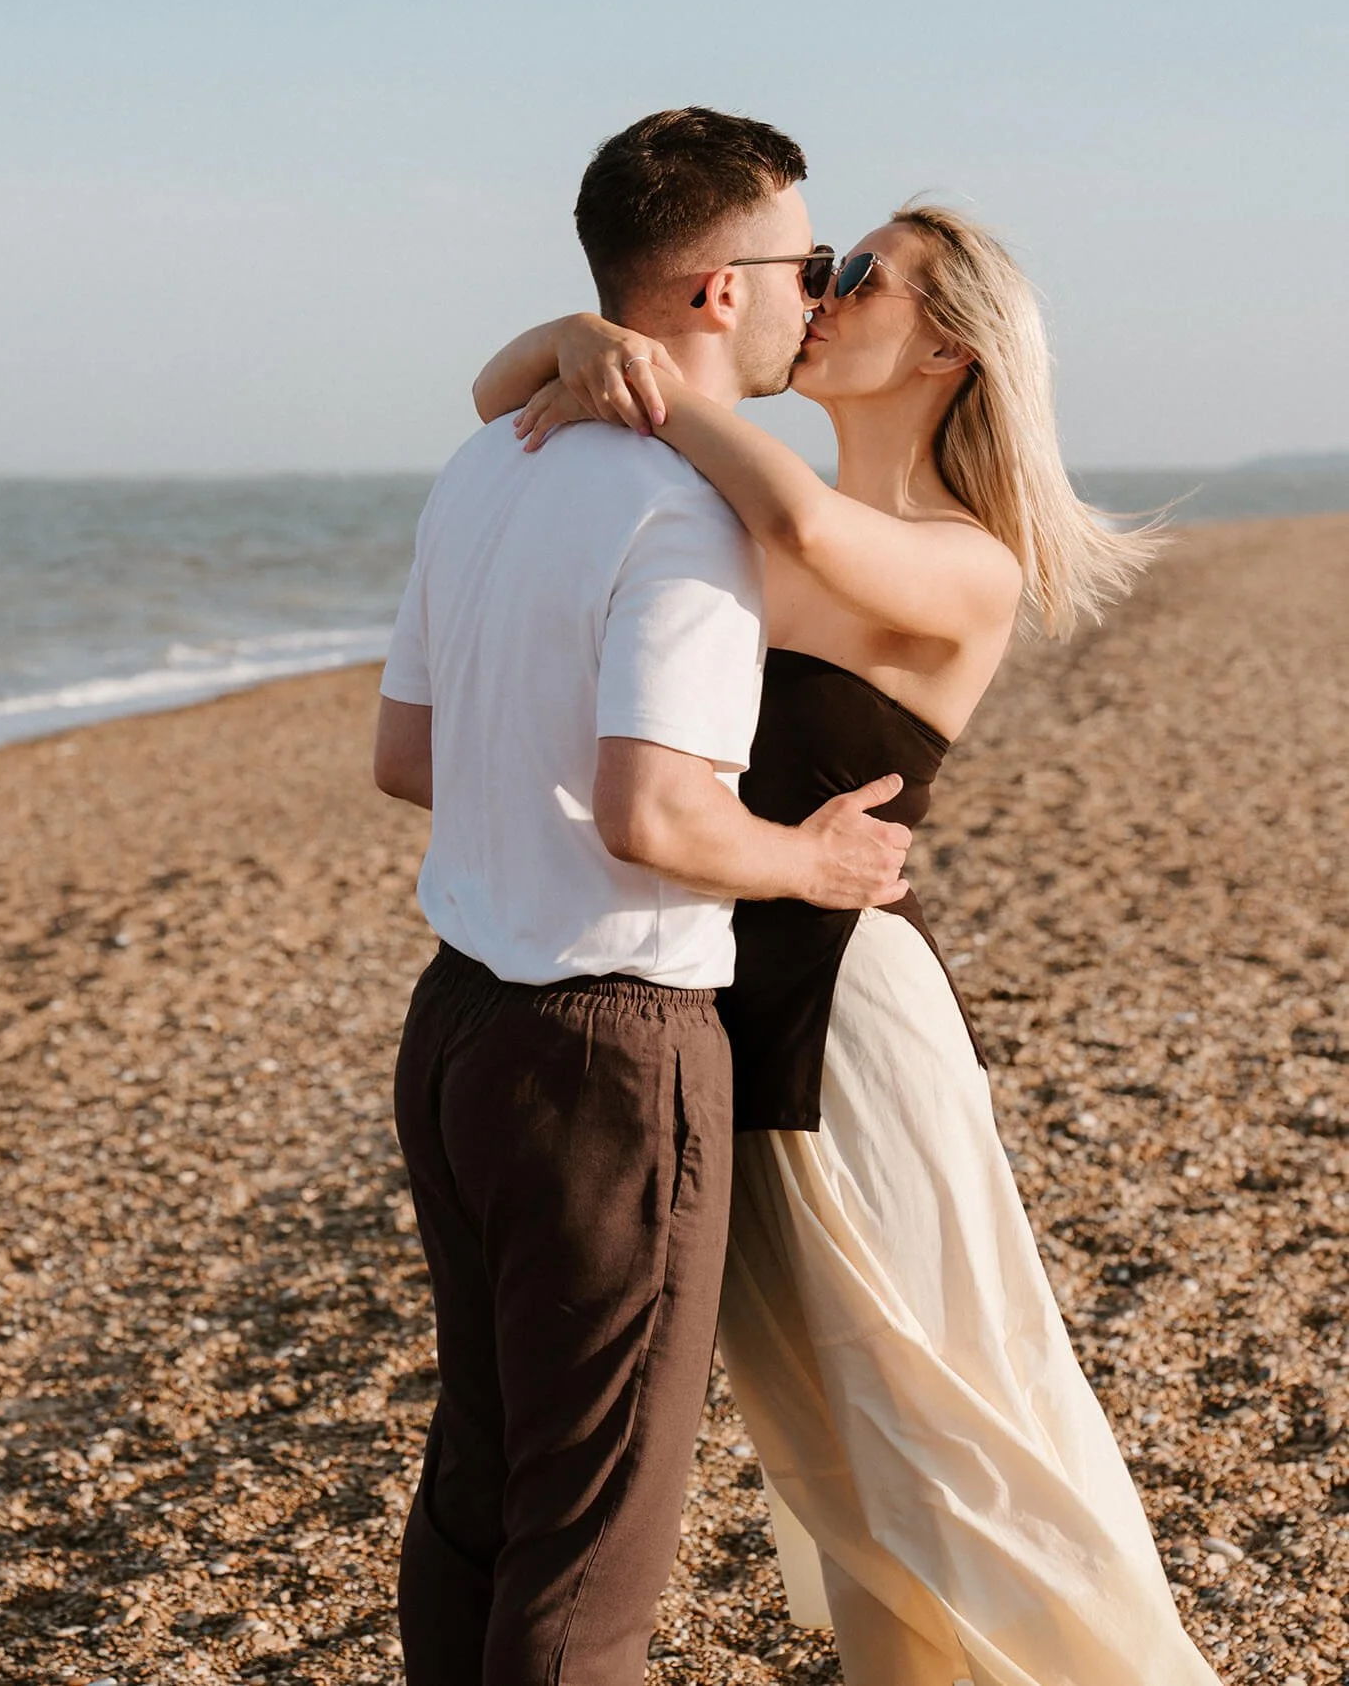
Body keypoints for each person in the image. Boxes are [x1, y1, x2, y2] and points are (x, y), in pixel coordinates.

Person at [477, 203, 1220, 1685]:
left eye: (857, 273)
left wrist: (642, 370)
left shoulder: (965, 556)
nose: (817, 289)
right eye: (819, 265)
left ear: (948, 343)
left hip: (850, 1021)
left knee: (946, 1420)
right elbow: (497, 394)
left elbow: (807, 534)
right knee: (833, 1449)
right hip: (719, 1006)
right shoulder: (760, 498)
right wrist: (573, 336)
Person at [373, 107, 914, 1686]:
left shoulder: (486, 461)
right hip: (610, 1048)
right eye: (806, 262)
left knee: (480, 1476)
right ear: (708, 291)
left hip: (457, 1021)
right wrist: (815, 860)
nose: (821, 291)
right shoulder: (688, 515)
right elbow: (656, 811)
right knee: (594, 1534)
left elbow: (409, 754)